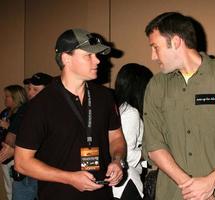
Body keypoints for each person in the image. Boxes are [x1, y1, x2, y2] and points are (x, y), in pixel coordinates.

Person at [142, 12, 215, 200]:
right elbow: (154, 145)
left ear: (176, 41)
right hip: (173, 194)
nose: (152, 56)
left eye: (155, 47)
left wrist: (211, 182)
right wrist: (193, 190)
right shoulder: (156, 86)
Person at [14, 28, 127, 200]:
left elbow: (116, 138)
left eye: (96, 55)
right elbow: (22, 163)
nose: (97, 61)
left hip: (102, 195)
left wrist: (118, 161)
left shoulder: (105, 96)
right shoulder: (41, 104)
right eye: (88, 56)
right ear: (66, 58)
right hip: (59, 195)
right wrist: (69, 178)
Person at [9, 72, 53, 200]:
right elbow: (11, 136)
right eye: (29, 88)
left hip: (48, 172)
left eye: (35, 89)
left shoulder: (56, 111)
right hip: (24, 174)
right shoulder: (25, 109)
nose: (30, 93)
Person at [113, 63, 153, 200]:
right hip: (127, 182)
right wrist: (149, 154)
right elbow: (126, 154)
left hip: (119, 184)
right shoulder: (131, 113)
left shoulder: (118, 109)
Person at [0, 85, 28, 200]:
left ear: (16, 98)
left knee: (18, 189)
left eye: (8, 96)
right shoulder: (5, 112)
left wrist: (8, 127)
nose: (5, 99)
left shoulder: (23, 113)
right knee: (8, 188)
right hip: (4, 156)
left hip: (16, 157)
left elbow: (27, 135)